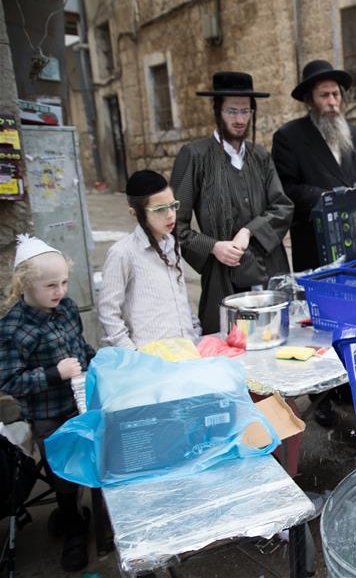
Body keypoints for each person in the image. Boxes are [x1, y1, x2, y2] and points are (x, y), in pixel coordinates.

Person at [170, 71, 293, 334]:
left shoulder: (260, 156)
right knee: (231, 341)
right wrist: (213, 247)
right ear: (217, 111)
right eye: (231, 111)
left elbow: (283, 207)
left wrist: (250, 230)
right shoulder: (195, 156)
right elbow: (172, 224)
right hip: (223, 275)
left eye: (246, 112)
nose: (240, 120)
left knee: (273, 338)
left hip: (268, 270)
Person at [0, 235, 95, 571]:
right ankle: (72, 529)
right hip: (48, 414)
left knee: (96, 457)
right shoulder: (12, 327)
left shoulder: (66, 308)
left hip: (82, 401)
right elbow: (9, 381)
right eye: (51, 285)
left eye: (65, 282)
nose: (61, 291)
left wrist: (96, 362)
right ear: (25, 284)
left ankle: (100, 518)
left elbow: (79, 345)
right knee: (62, 472)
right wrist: (54, 373)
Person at [272, 59, 356, 271]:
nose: (332, 102)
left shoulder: (351, 131)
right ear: (310, 100)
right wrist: (327, 198)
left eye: (335, 94)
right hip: (315, 241)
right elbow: (286, 189)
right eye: (324, 95)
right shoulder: (289, 136)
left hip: (355, 236)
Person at [97, 170, 201, 348]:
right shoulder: (122, 253)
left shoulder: (171, 243)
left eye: (172, 206)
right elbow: (108, 311)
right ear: (135, 213)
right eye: (160, 209)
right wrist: (132, 353)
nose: (170, 215)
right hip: (150, 357)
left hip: (186, 349)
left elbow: (180, 294)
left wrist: (195, 332)